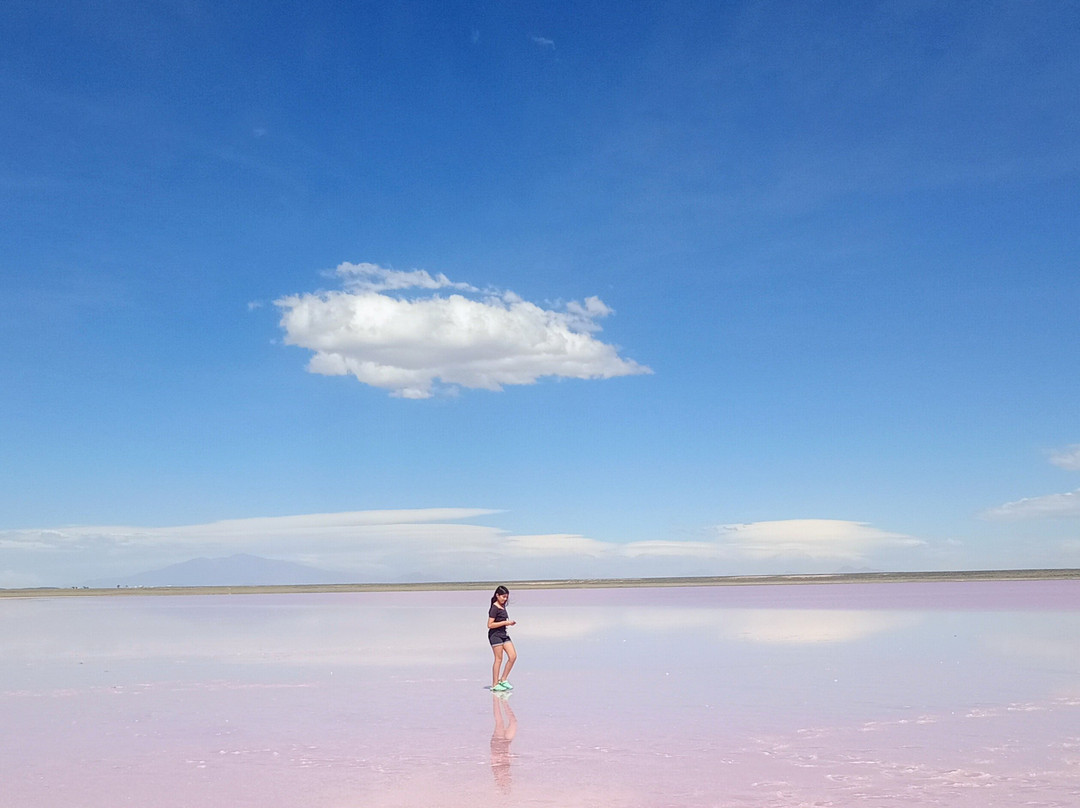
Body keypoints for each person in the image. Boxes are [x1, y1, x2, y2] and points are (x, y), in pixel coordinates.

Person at [488, 585, 517, 691]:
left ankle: (503, 679)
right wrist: (505, 622)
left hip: (503, 634)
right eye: (503, 597)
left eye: (506, 597)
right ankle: (495, 684)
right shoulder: (494, 608)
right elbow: (490, 625)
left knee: (513, 656)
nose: (505, 599)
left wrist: (509, 623)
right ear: (497, 595)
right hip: (495, 635)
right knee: (498, 659)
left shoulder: (503, 606)